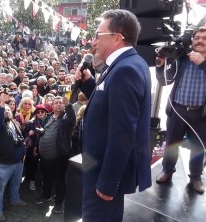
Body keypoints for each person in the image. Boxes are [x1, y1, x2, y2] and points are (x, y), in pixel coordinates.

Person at [76, 9, 152, 221]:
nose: (94, 41)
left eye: (98, 35)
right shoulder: (126, 64)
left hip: (103, 173)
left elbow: (123, 133)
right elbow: (108, 107)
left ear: (117, 38)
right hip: (100, 167)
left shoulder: (125, 70)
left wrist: (108, 182)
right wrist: (89, 82)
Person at [155, 26, 206, 193]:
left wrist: (203, 63)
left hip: (201, 114)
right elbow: (165, 81)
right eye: (197, 37)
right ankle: (167, 171)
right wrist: (160, 65)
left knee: (197, 147)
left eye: (204, 38)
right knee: (172, 143)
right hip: (177, 110)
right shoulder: (182, 59)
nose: (200, 40)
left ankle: (196, 177)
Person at [34, 96, 75, 214]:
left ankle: (58, 202)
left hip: (59, 157)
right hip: (45, 156)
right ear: (52, 105)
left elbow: (72, 117)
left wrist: (68, 105)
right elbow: (42, 132)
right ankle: (46, 195)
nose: (58, 104)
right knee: (46, 177)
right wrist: (37, 146)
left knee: (59, 180)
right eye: (55, 103)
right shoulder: (47, 117)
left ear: (63, 105)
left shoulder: (66, 119)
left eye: (60, 103)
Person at [0, 91, 27, 221]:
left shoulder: (15, 123)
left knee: (16, 184)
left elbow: (21, 139)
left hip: (17, 162)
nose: (7, 112)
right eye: (4, 110)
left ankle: (14, 199)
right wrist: (2, 104)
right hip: (2, 163)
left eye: (9, 110)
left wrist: (23, 153)